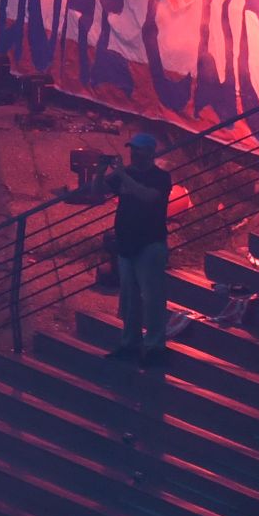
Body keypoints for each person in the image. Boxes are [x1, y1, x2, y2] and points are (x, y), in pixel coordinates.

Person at [108, 129, 174, 361]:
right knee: (129, 298)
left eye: (137, 150)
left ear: (148, 153)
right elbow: (98, 192)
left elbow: (147, 196)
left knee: (153, 297)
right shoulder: (125, 174)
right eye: (132, 150)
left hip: (150, 243)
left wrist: (123, 176)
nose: (133, 155)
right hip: (127, 243)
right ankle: (130, 343)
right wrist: (98, 172)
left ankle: (155, 346)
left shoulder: (160, 177)